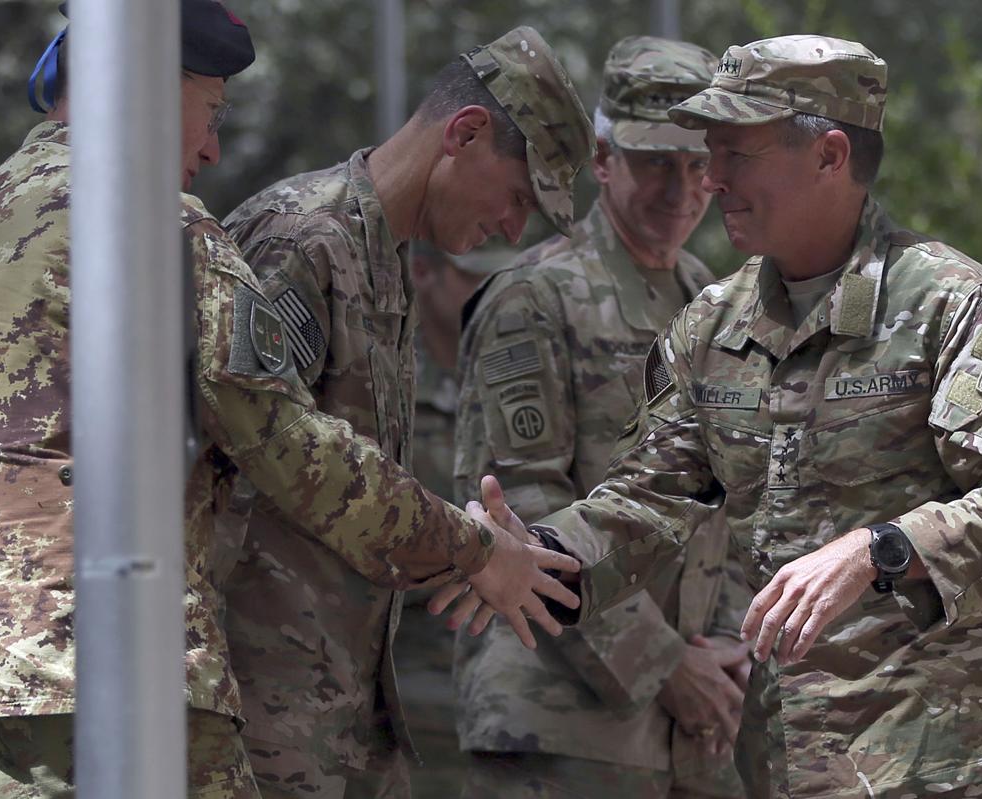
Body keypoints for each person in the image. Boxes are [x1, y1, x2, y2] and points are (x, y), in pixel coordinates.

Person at [0, 5, 579, 797]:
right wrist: (475, 548)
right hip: (94, 673)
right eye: (210, 112)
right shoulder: (159, 226)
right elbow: (292, 449)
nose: (213, 148)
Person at [438, 34, 982, 799]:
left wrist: (881, 549)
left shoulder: (956, 310)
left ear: (829, 154)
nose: (711, 181)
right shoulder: (713, 324)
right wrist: (538, 552)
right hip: (771, 762)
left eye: (735, 155)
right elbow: (647, 501)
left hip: (923, 761)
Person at [220, 25, 596, 798]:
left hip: (342, 714)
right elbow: (286, 460)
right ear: (464, 133)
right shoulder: (303, 241)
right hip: (257, 716)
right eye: (519, 195)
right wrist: (473, 551)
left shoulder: (381, 262)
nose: (514, 228)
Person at [451, 36, 750, 799]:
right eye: (655, 162)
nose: (680, 190)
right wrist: (662, 662)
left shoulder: (710, 301)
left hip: (696, 729)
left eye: (697, 165)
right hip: (562, 726)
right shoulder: (536, 298)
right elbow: (517, 513)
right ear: (604, 159)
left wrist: (728, 648)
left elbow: (734, 498)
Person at [393, 243, 514, 799]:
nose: (493, 297)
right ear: (424, 273)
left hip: (517, 683)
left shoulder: (516, 380)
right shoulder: (387, 385)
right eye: (475, 279)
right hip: (417, 680)